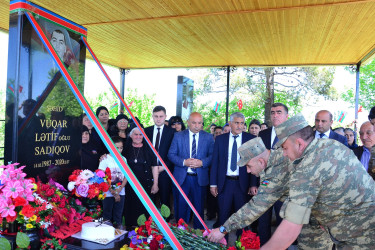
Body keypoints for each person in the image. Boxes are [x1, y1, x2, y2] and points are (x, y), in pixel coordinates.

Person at [263, 113, 375, 249]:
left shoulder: (334, 146)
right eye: (361, 133)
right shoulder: (348, 151)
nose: (363, 137)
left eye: (369, 133)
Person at [208, 138, 333, 249]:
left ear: (261, 162)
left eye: (249, 166)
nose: (247, 170)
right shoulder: (276, 159)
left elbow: (255, 208)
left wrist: (223, 229)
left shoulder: (276, 171)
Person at [210, 112, 255, 236]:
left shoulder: (249, 139)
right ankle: (222, 243)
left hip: (242, 184)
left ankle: (242, 242)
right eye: (236, 123)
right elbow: (215, 163)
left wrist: (253, 184)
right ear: (230, 123)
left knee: (242, 217)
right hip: (225, 183)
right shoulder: (220, 139)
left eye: (242, 123)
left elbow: (254, 162)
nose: (240, 126)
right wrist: (213, 184)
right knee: (223, 215)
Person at [250, 103, 288, 245]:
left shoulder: (294, 135)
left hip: (284, 188)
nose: (275, 115)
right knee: (263, 221)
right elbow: (255, 159)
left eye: (279, 112)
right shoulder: (263, 134)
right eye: (272, 113)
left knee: (282, 222)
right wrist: (254, 183)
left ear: (286, 116)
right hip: (264, 186)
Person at [168, 112, 214, 229]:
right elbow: (171, 155)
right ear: (188, 122)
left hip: (200, 179)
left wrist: (202, 162)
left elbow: (212, 156)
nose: (197, 125)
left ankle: (200, 234)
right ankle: (181, 233)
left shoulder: (208, 137)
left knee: (199, 208)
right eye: (194, 123)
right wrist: (184, 162)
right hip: (182, 178)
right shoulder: (178, 136)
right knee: (181, 208)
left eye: (200, 123)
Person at [123, 127, 159, 229]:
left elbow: (154, 166)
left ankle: (144, 234)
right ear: (131, 136)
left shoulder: (149, 149)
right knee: (131, 212)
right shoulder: (125, 149)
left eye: (140, 135)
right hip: (130, 186)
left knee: (145, 212)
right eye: (136, 134)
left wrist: (155, 184)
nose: (138, 137)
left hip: (146, 186)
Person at [144, 106, 175, 215]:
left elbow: (174, 153)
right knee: (149, 199)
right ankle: (148, 224)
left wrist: (165, 166)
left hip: (164, 171)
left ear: (165, 117)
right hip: (149, 170)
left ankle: (165, 225)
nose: (158, 119)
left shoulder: (172, 132)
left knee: (165, 200)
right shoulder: (146, 131)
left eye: (161, 116)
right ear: (152, 116)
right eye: (156, 116)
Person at [98, 136, 127, 228]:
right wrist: (112, 191)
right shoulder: (105, 159)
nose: (119, 150)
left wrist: (120, 188)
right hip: (108, 192)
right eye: (116, 147)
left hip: (120, 192)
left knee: (118, 215)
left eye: (121, 148)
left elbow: (126, 175)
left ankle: (119, 237)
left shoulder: (124, 159)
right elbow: (101, 176)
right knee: (107, 214)